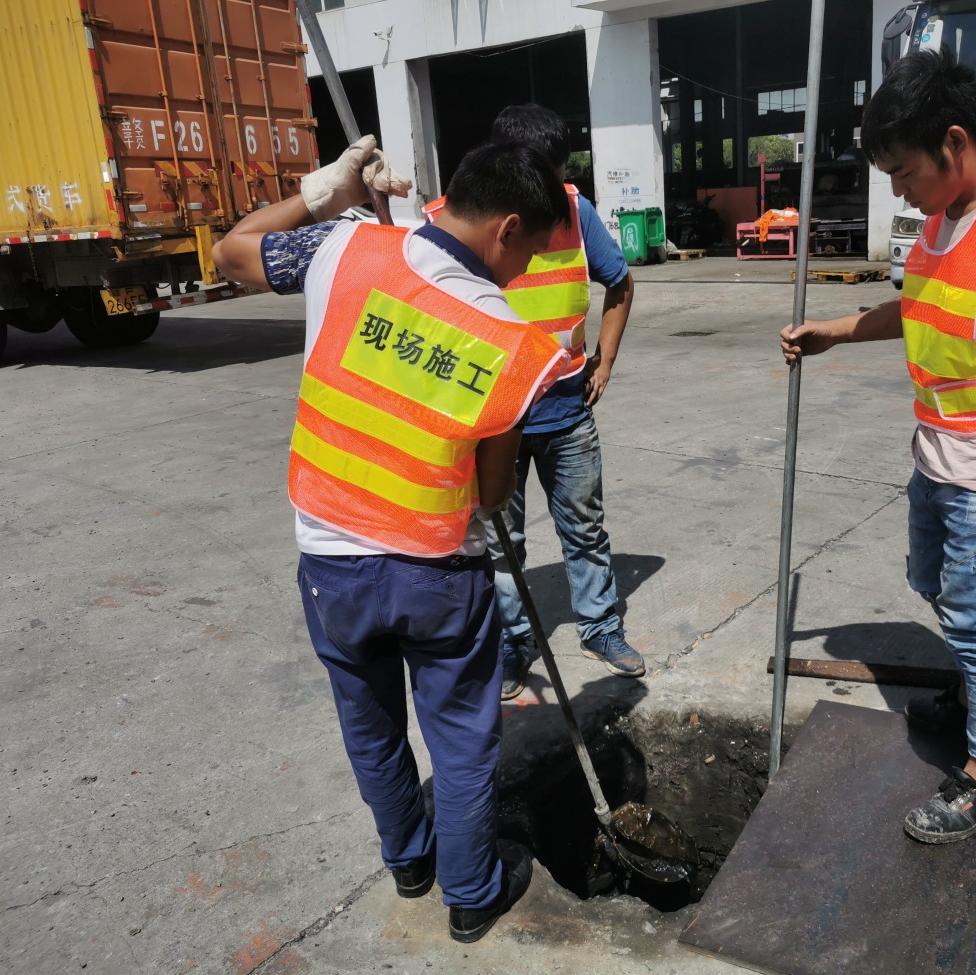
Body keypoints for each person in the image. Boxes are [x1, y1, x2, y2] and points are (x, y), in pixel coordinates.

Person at [212, 138, 572, 941]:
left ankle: (408, 859)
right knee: (463, 736)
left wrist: (321, 194)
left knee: (369, 723)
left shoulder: (343, 246)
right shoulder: (510, 340)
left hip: (332, 562)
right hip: (438, 571)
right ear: (507, 227)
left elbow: (229, 252)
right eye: (532, 256)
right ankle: (470, 895)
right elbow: (491, 492)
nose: (523, 276)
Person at [780, 50, 976, 844]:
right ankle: (974, 684)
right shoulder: (945, 215)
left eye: (904, 169)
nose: (898, 188)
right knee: (941, 588)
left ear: (955, 143)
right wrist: (836, 330)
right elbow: (917, 305)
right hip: (938, 454)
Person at [426, 104, 640, 699]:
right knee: (500, 542)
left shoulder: (576, 210)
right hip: (494, 419)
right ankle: (515, 643)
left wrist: (605, 360)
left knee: (584, 525)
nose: (553, 194)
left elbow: (619, 282)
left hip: (566, 409)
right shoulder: (453, 221)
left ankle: (600, 627)